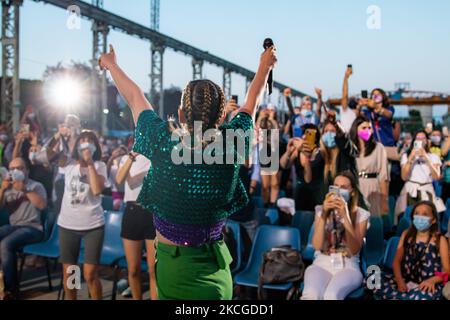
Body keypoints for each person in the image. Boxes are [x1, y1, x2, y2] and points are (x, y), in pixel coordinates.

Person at [99, 43, 277, 300]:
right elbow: (250, 105)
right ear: (221, 117)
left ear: (181, 114)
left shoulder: (162, 139)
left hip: (174, 269)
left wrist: (111, 64)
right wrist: (265, 66)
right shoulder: (233, 141)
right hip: (216, 270)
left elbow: (135, 97)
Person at [301, 171, 369, 300]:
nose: (339, 191)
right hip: (321, 262)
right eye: (336, 186)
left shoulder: (361, 214)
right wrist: (324, 214)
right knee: (311, 295)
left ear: (352, 191)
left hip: (348, 265)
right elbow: (317, 245)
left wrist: (345, 216)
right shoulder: (321, 209)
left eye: (343, 188)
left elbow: (354, 249)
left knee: (331, 296)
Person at [57, 130, 107, 300]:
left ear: (95, 146)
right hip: (68, 225)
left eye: (90, 141)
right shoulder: (68, 164)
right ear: (77, 145)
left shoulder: (100, 165)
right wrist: (58, 135)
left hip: (93, 225)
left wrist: (90, 163)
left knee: (90, 273)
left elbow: (96, 189)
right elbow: (45, 155)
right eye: (82, 140)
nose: (86, 144)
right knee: (70, 275)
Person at [372, 201, 449, 300]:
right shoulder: (406, 234)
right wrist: (400, 281)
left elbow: (447, 270)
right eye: (417, 213)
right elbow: (396, 261)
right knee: (371, 274)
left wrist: (432, 281)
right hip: (405, 280)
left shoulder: (440, 240)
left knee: (422, 297)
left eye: (425, 214)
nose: (420, 217)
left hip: (425, 285)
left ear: (433, 220)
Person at [0, 157, 47, 299]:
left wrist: (25, 190)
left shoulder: (36, 186)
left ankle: (11, 290)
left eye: (19, 168)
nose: (16, 171)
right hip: (14, 226)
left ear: (27, 170)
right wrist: (2, 190)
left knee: (5, 244)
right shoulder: (7, 187)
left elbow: (42, 206)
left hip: (33, 228)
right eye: (12, 168)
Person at [115, 151, 156, 300]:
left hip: (152, 213)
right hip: (132, 212)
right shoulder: (126, 158)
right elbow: (120, 179)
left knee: (153, 270)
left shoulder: (156, 156)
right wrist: (132, 157)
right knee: (133, 269)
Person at [395, 131, 445, 222]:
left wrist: (426, 157)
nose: (421, 141)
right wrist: (411, 157)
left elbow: (436, 176)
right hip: (411, 191)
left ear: (427, 141)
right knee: (410, 219)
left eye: (423, 138)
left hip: (427, 191)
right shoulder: (407, 156)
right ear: (414, 141)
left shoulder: (434, 157)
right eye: (418, 139)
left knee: (428, 220)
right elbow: (404, 176)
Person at [350, 116, 389, 216]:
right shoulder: (350, 148)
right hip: (355, 186)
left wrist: (384, 201)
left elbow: (383, 176)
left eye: (369, 128)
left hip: (372, 187)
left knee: (373, 219)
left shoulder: (378, 147)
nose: (367, 131)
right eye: (364, 128)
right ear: (356, 129)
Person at [280, 124, 322, 211]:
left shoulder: (320, 153)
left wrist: (305, 156)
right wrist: (288, 152)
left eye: (309, 134)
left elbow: (308, 180)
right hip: (300, 192)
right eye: (304, 133)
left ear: (315, 137)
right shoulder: (297, 151)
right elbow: (284, 165)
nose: (304, 136)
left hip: (316, 193)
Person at [256, 106, 280, 208]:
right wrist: (261, 116)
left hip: (274, 152)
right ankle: (266, 204)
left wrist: (271, 119)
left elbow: (277, 133)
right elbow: (255, 130)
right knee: (265, 185)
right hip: (263, 152)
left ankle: (273, 204)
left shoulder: (273, 122)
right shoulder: (260, 121)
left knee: (274, 183)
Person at [340, 65, 358, 133]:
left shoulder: (361, 114)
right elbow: (345, 94)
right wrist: (346, 78)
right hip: (345, 138)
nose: (352, 98)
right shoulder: (345, 110)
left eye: (355, 99)